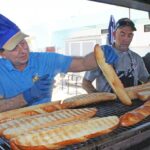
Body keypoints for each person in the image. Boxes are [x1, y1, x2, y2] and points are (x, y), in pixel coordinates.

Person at [0, 14, 118, 112]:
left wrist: (99, 55)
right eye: (14, 48)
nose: (23, 50)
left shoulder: (44, 60)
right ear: (2, 54)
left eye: (23, 43)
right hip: (8, 131)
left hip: (44, 125)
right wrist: (26, 97)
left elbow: (83, 63)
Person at [82, 18, 150, 93]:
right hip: (107, 104)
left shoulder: (137, 58)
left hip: (132, 103)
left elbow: (147, 80)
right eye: (122, 34)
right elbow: (86, 83)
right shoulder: (103, 54)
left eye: (129, 35)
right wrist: (97, 98)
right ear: (114, 34)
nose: (126, 39)